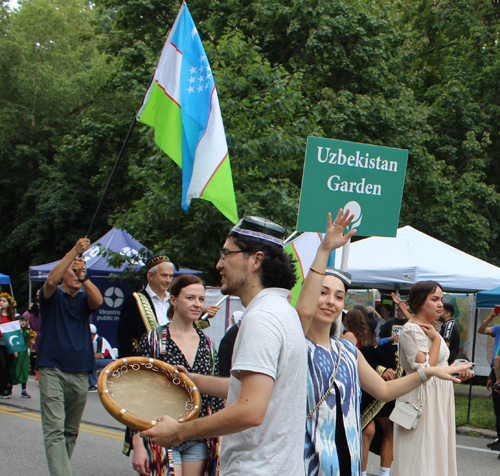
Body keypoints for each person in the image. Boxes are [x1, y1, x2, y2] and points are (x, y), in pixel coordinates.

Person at [294, 211, 471, 476]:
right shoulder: (296, 344)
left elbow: (385, 391)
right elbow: (303, 314)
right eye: (322, 292)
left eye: (339, 296)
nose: (331, 301)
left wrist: (435, 370)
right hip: (302, 454)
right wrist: (325, 250)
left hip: (342, 456)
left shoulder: (346, 351)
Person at [141, 215, 307, 476]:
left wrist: (179, 432)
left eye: (227, 254)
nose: (219, 264)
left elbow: (250, 410)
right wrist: (191, 380)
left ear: (256, 259)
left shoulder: (260, 319)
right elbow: (254, 391)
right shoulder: (283, 311)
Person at [131, 274, 224, 476]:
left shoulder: (208, 344)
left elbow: (215, 399)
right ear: (173, 300)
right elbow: (138, 393)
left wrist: (220, 442)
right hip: (161, 432)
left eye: (201, 299)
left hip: (198, 434)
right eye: (190, 298)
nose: (197, 304)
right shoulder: (154, 339)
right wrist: (138, 443)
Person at [37, 238, 103, 476]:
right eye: (73, 271)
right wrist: (74, 252)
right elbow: (51, 280)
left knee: (70, 430)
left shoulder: (85, 300)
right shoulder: (51, 296)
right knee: (54, 428)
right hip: (51, 368)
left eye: (81, 271)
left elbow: (98, 301)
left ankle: (59, 470)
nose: (77, 274)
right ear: (64, 273)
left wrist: (83, 276)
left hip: (80, 369)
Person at [392, 281, 472, 476]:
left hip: (439, 394)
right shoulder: (412, 330)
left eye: (441, 300)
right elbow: (426, 368)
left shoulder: (430, 327)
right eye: (434, 299)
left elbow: (441, 366)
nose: (440, 305)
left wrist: (457, 369)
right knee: (419, 452)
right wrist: (436, 339)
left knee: (436, 449)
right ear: (420, 302)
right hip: (420, 396)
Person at [117, 255, 175, 358]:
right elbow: (124, 337)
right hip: (145, 362)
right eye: (164, 275)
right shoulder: (134, 300)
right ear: (150, 276)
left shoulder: (174, 300)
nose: (168, 280)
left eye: (170, 276)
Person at [478, 305, 500, 450]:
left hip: (499, 371)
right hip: (495, 370)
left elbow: (498, 358)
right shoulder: (498, 328)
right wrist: (491, 316)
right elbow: (481, 330)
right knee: (497, 409)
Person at [88, 323, 115, 392]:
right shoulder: (88, 341)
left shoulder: (100, 339)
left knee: (91, 362)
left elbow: (98, 356)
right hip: (100, 360)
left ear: (92, 334)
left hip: (110, 361)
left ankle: (94, 384)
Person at [10, 313, 32, 398]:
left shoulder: (26, 332)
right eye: (21, 321)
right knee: (14, 369)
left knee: (24, 369)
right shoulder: (14, 332)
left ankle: (24, 390)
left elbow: (29, 342)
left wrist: (31, 341)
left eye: (24, 321)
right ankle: (9, 387)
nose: (23, 322)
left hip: (24, 353)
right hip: (16, 352)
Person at [0, 292, 16, 398]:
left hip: (9, 343)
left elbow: (15, 333)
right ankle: (1, 389)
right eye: (0, 301)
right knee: (2, 365)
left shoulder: (12, 316)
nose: (1, 302)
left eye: (3, 301)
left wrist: (15, 349)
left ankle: (5, 387)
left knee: (8, 367)